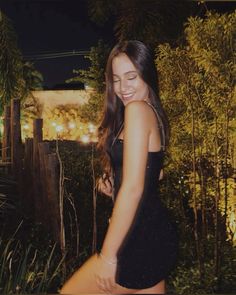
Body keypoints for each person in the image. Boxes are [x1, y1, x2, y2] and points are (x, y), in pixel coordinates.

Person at [60, 40, 178, 294]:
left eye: (131, 77)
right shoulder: (150, 113)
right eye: (116, 79)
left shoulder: (137, 110)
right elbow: (155, 172)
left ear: (147, 74)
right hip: (153, 232)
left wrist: (108, 257)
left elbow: (135, 188)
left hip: (139, 237)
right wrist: (115, 181)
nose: (123, 88)